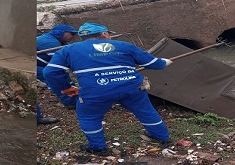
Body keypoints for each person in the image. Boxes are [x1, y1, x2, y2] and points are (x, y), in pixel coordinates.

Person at [43, 22, 173, 156]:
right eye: (109, 33)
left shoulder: (67, 50)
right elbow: (153, 64)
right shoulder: (124, 45)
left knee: (89, 117)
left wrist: (68, 89)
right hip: (131, 87)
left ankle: (98, 147)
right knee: (146, 111)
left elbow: (50, 73)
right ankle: (162, 136)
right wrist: (165, 62)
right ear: (104, 34)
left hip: (96, 91)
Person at [36, 24, 79, 108]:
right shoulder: (49, 42)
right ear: (62, 33)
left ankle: (72, 97)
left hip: (42, 64)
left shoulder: (56, 40)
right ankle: (70, 102)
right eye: (72, 34)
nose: (73, 37)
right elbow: (64, 61)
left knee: (61, 76)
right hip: (36, 65)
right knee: (56, 79)